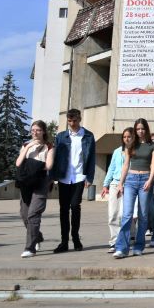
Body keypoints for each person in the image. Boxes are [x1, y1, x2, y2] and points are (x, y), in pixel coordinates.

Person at [50, 108, 96, 253]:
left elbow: (92, 157)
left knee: (75, 206)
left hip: (79, 176)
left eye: (75, 120)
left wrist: (89, 177)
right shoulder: (61, 136)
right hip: (64, 177)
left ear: (79, 119)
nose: (72, 123)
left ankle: (75, 238)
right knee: (63, 209)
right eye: (69, 121)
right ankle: (64, 242)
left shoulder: (88, 136)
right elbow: (55, 157)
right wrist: (53, 176)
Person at [113, 118, 154, 258]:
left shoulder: (153, 145)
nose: (140, 131)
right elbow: (126, 165)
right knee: (126, 214)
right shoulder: (130, 145)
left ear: (146, 129)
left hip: (145, 180)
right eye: (138, 129)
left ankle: (139, 246)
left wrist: (150, 180)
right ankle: (122, 248)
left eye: (142, 129)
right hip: (131, 180)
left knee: (143, 215)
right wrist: (121, 182)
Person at [15, 120, 54, 258]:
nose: (35, 133)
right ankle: (37, 236)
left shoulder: (49, 146)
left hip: (40, 182)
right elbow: (18, 163)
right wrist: (28, 147)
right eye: (32, 130)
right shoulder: (26, 145)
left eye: (38, 130)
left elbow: (48, 165)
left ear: (43, 131)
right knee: (24, 214)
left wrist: (33, 167)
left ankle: (30, 248)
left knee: (33, 214)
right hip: (26, 183)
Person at [100, 128, 133, 253]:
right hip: (115, 184)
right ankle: (114, 241)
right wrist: (105, 185)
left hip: (129, 184)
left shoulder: (135, 151)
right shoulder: (117, 152)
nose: (127, 139)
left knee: (125, 214)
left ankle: (127, 238)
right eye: (124, 137)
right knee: (113, 214)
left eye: (129, 136)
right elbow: (111, 168)